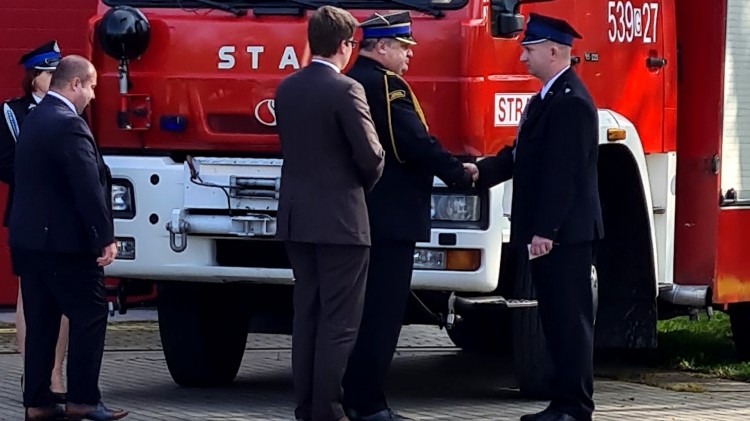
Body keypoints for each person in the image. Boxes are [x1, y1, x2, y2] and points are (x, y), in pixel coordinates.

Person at [342, 11, 475, 421]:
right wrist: (460, 173)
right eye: (403, 47)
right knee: (383, 315)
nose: (409, 56)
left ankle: (351, 396)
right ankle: (368, 404)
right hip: (392, 218)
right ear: (381, 47)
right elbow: (415, 143)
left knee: (353, 312)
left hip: (359, 214)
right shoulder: (387, 87)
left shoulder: (349, 81)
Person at [473, 14, 604, 421]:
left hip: (565, 235)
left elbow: (564, 175)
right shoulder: (546, 98)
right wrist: (482, 172)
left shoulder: (571, 103)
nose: (523, 56)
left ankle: (575, 406)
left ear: (554, 51)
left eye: (529, 49)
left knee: (570, 322)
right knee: (554, 318)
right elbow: (524, 157)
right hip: (550, 232)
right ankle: (561, 402)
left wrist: (546, 230)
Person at [274, 6, 385, 421]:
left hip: (297, 218)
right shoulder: (346, 90)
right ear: (345, 46)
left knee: (307, 316)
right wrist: (361, 186)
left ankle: (306, 406)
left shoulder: (287, 88)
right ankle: (328, 408)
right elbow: (371, 155)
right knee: (339, 322)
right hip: (341, 220)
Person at [9, 55, 128, 421]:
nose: (92, 95)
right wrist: (105, 237)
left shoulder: (35, 119)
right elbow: (88, 187)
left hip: (29, 241)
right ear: (75, 84)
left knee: (42, 320)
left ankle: (38, 402)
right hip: (65, 244)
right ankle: (83, 399)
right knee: (90, 314)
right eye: (91, 86)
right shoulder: (69, 125)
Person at [0, 40, 70, 403]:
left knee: (63, 298)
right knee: (31, 295)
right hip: (29, 210)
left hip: (65, 215)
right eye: (49, 72)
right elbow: (4, 162)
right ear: (34, 78)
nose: (55, 77)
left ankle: (56, 375)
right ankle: (34, 375)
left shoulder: (73, 110)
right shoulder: (14, 113)